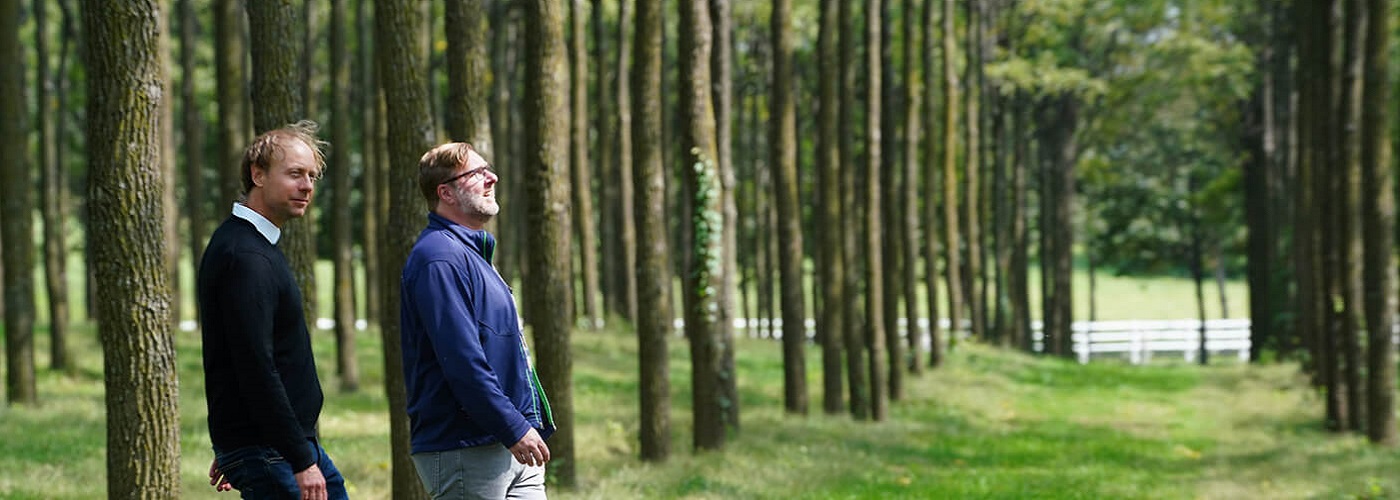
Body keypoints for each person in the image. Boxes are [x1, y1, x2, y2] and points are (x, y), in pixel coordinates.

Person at [198, 120, 348, 500]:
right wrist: (287, 457)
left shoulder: (252, 246)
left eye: (312, 176)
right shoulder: (245, 256)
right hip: (274, 451)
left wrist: (237, 445)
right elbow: (253, 364)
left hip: (273, 446)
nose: (308, 186)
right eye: (295, 174)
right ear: (258, 174)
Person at [400, 142, 556, 499]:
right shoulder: (438, 258)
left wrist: (521, 426)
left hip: (510, 442)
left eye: (489, 169)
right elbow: (462, 361)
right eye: (476, 173)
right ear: (446, 192)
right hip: (465, 446)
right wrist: (513, 426)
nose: (492, 178)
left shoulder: (472, 254)